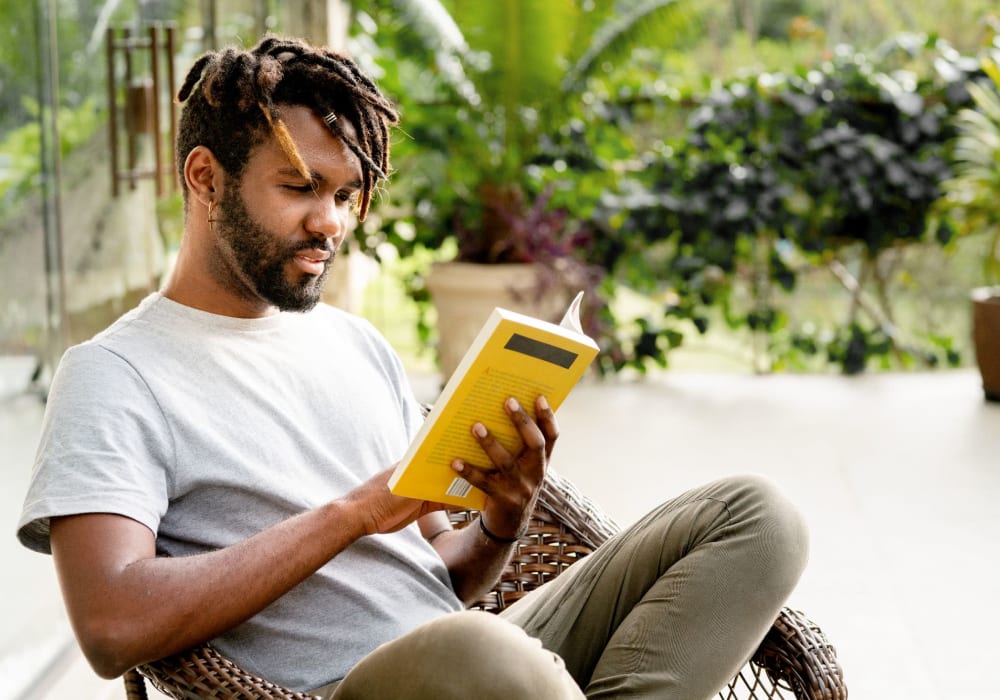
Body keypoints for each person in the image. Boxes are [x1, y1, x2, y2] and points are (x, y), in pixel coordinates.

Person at [17, 36, 809, 699]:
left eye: (346, 195)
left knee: (756, 517)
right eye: (298, 187)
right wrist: (355, 513)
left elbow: (446, 573)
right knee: (486, 654)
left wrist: (504, 517)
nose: (328, 222)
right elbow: (112, 627)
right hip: (349, 689)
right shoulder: (115, 373)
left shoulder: (355, 345)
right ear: (205, 179)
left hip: (478, 663)